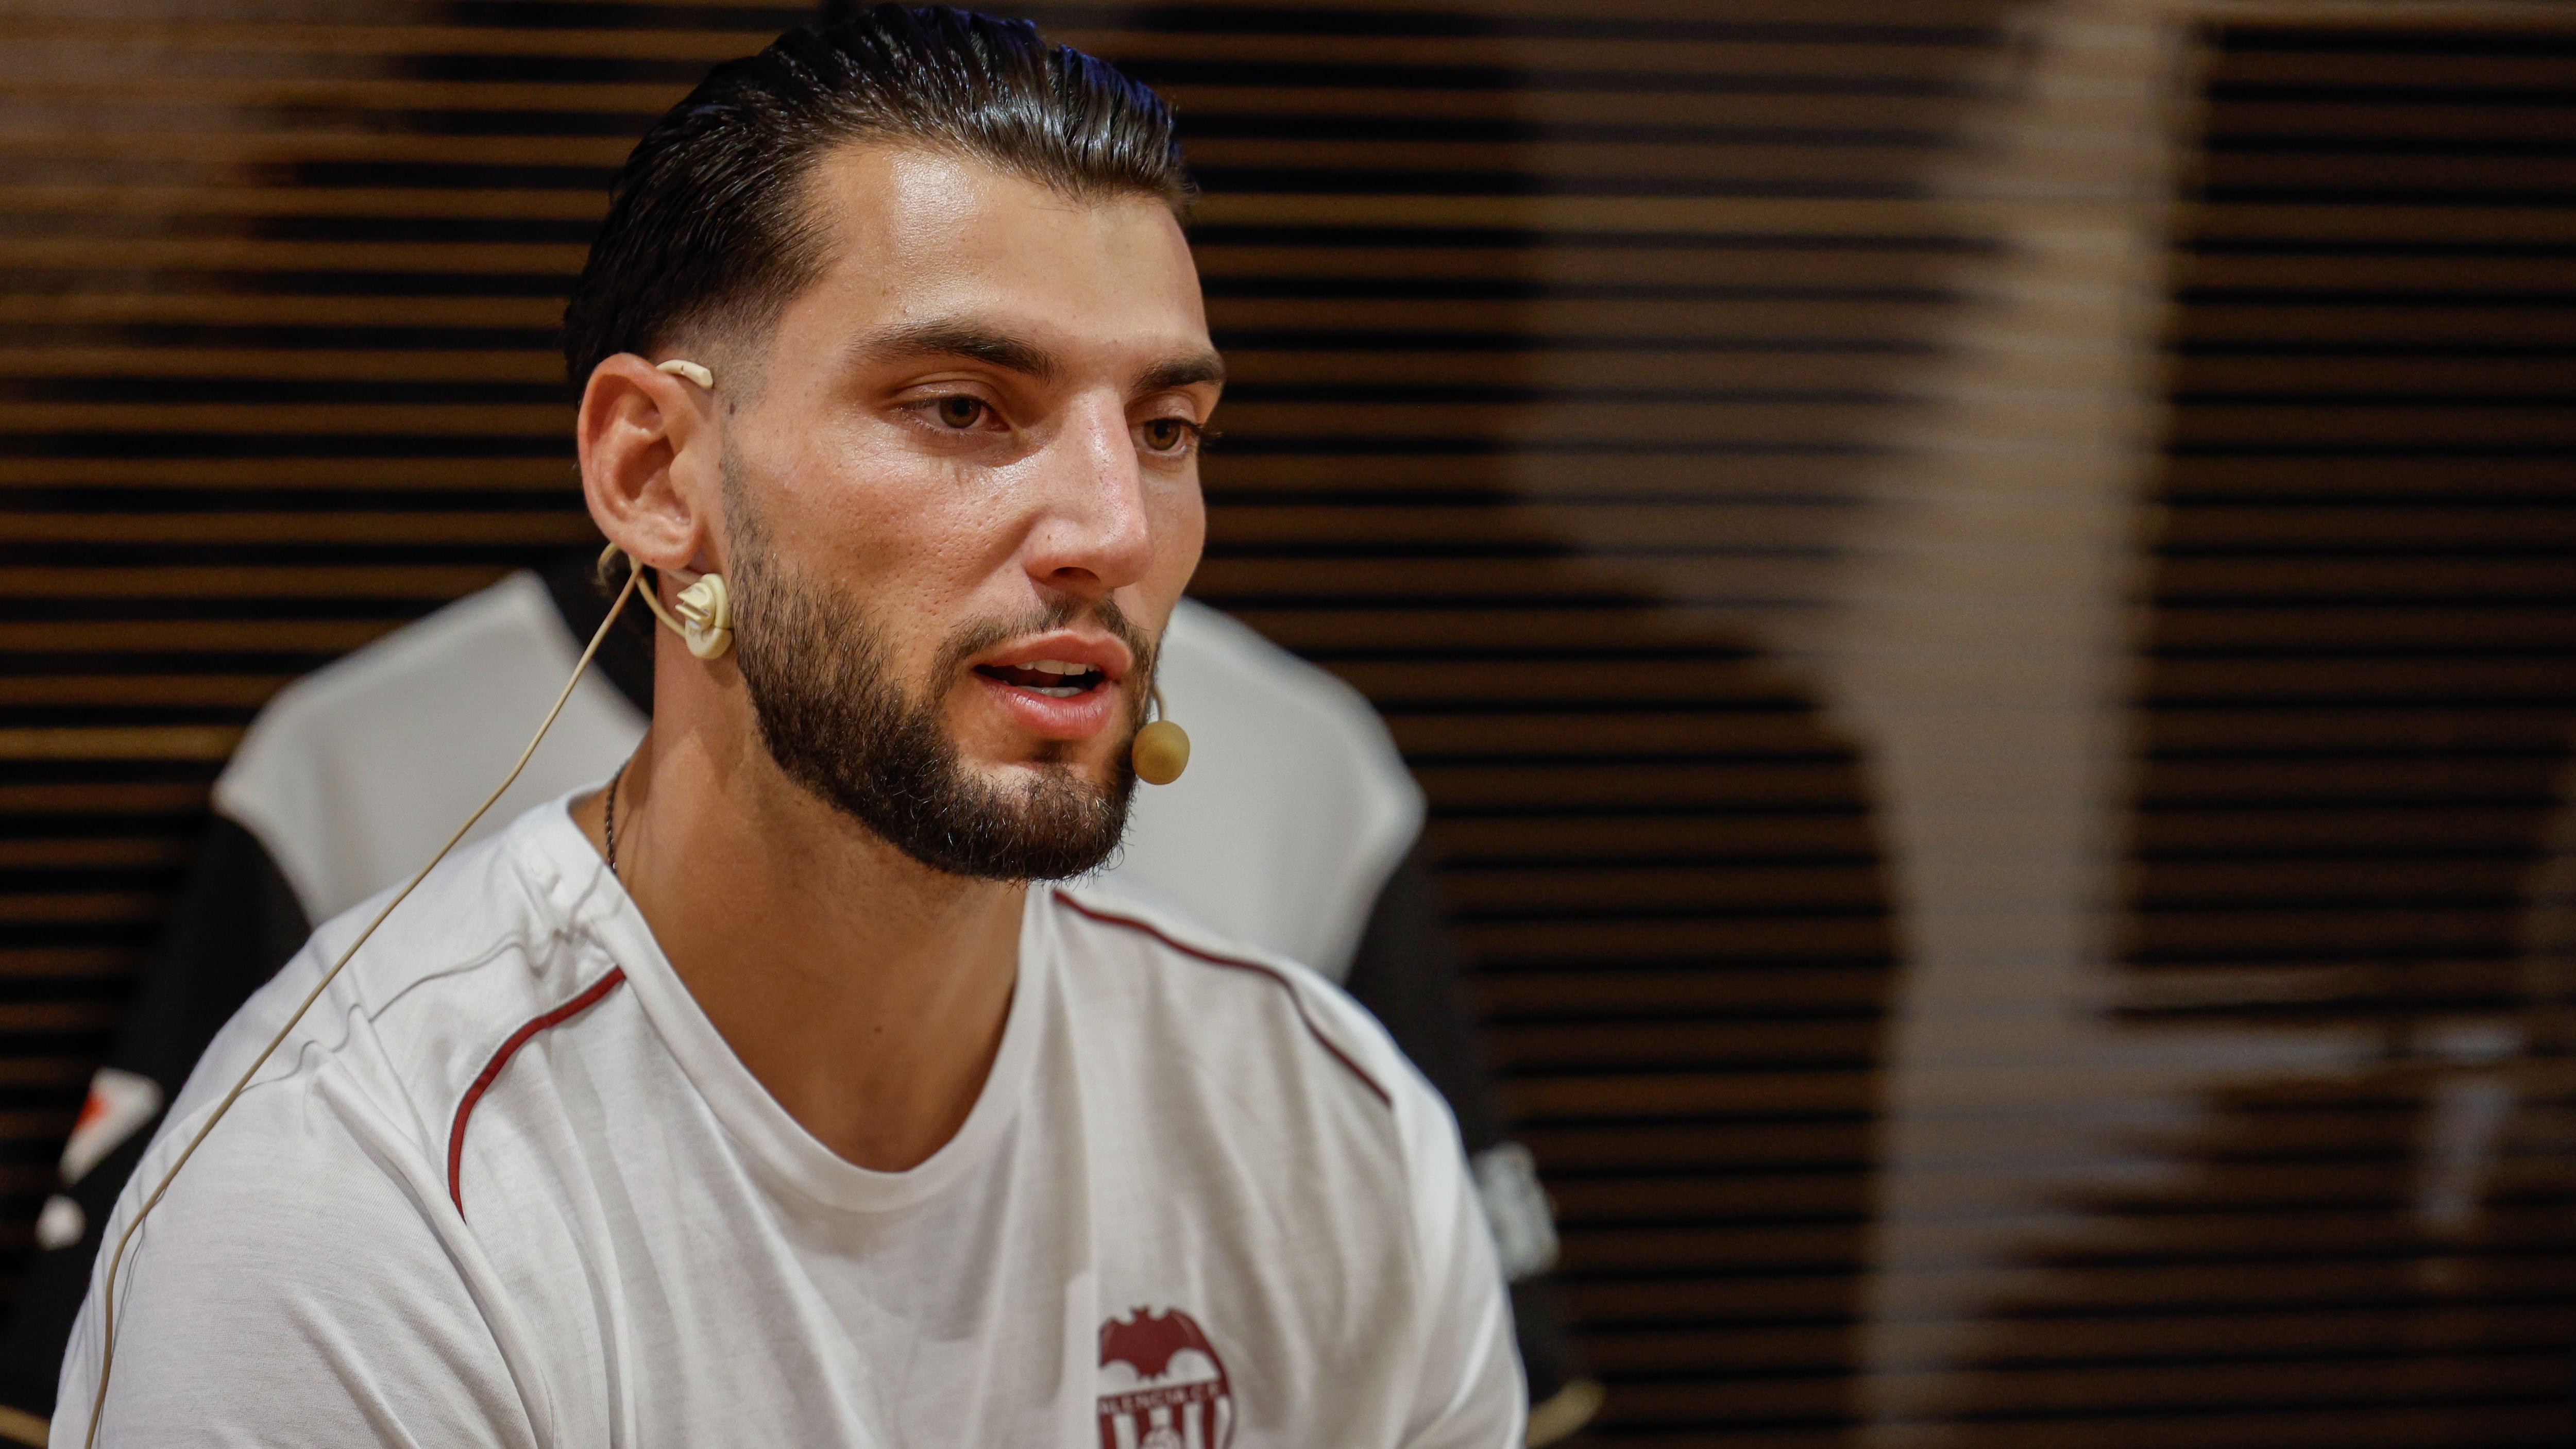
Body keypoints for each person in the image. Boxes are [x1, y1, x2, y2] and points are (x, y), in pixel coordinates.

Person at [50, 11, 1527, 1444]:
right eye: (962, 406)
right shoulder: (352, 1196)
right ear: (654, 472)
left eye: (1165, 429)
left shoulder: (1329, 1129)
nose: (1115, 528)